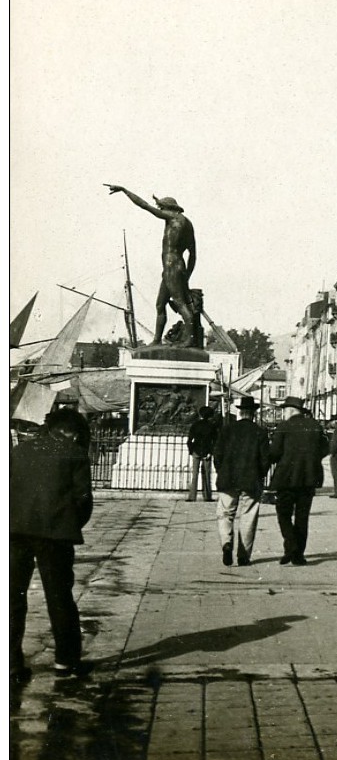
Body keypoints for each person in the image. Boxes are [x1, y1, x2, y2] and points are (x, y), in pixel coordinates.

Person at [11, 409, 94, 682]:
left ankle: (11, 664)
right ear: (71, 432)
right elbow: (83, 500)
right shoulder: (74, 453)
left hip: (14, 531)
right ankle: (65, 661)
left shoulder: (19, 450)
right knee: (59, 598)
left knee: (12, 597)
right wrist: (69, 524)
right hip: (55, 534)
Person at [106, 184, 198, 347]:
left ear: (172, 209)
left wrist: (125, 191)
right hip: (175, 267)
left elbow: (144, 206)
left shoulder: (174, 219)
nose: (162, 211)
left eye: (163, 208)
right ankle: (157, 339)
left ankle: (190, 340)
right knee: (160, 304)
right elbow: (193, 254)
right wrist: (187, 274)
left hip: (171, 267)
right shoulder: (187, 224)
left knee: (179, 302)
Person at [267, 396, 330, 565]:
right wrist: (311, 459)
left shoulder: (284, 427)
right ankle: (298, 555)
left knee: (284, 513)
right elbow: (325, 448)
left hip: (286, 478)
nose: (284, 413)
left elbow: (274, 452)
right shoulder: (315, 426)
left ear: (290, 410)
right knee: (302, 516)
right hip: (309, 477)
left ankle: (291, 544)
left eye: (284, 410)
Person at [213, 396, 271, 567]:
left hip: (228, 479)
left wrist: (222, 471)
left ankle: (226, 543)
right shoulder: (260, 432)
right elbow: (265, 460)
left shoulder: (227, 430)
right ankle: (244, 555)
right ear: (253, 413)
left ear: (240, 411)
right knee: (248, 516)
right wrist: (259, 475)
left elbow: (218, 455)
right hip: (251, 480)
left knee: (225, 513)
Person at [187, 405, 219, 501]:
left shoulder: (195, 425)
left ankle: (192, 497)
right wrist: (211, 452)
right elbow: (215, 441)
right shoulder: (212, 426)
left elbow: (189, 440)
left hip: (196, 450)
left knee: (194, 475)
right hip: (207, 452)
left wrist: (191, 451)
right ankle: (207, 496)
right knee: (207, 475)